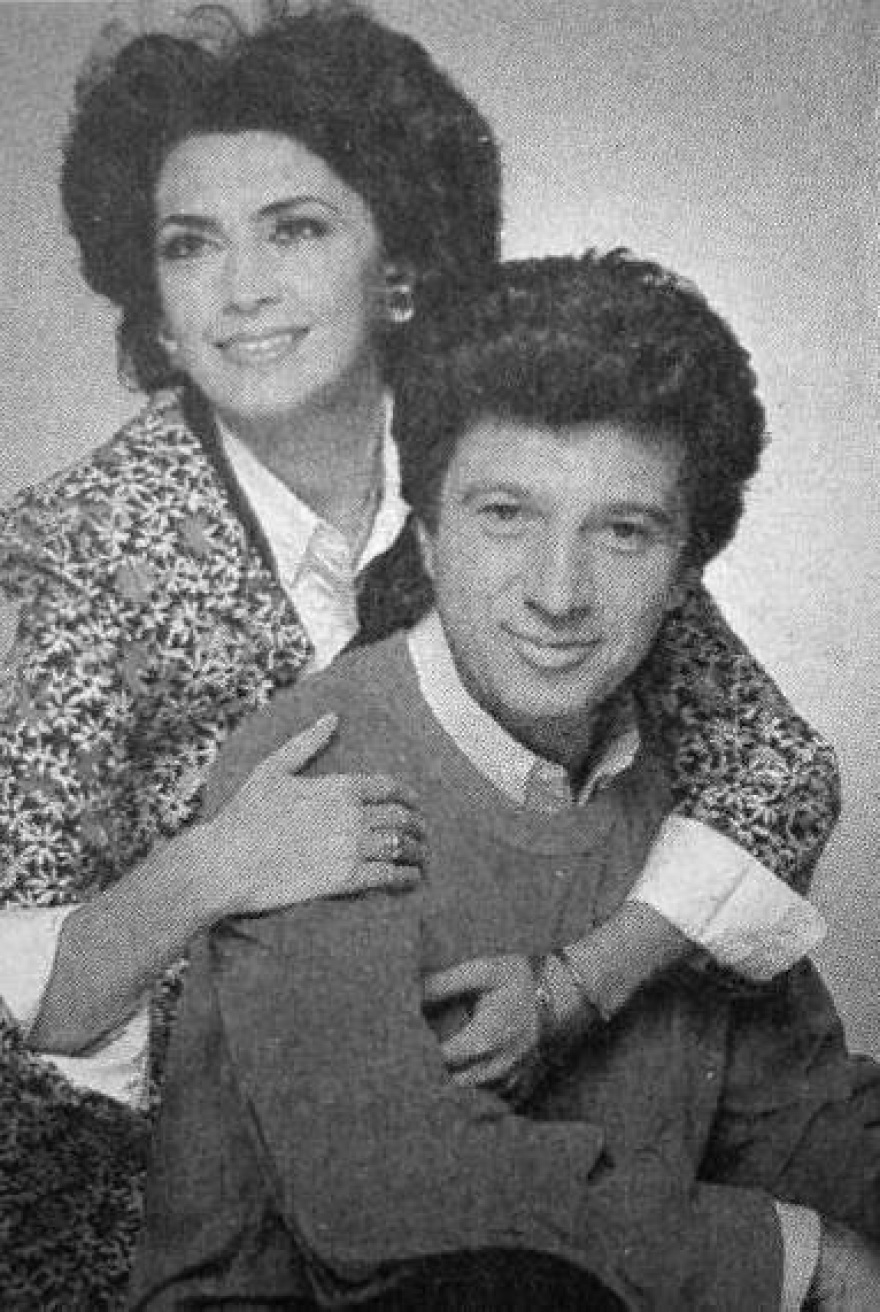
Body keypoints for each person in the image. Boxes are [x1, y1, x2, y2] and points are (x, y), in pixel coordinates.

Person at [0, 0, 833, 1304]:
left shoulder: (517, 455)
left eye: (294, 227)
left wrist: (576, 987)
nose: (241, 288)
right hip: (186, 1211)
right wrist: (214, 868)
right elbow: (15, 977)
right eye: (189, 244)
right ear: (151, 303)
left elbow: (774, 773)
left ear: (399, 262)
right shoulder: (81, 550)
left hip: (524, 1137)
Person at [130, 250, 880, 1312]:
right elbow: (386, 1193)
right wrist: (802, 1259)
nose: (557, 592)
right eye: (506, 515)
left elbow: (797, 1118)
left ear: (686, 576)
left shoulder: (689, 782)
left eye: (623, 532)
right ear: (428, 535)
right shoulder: (310, 763)